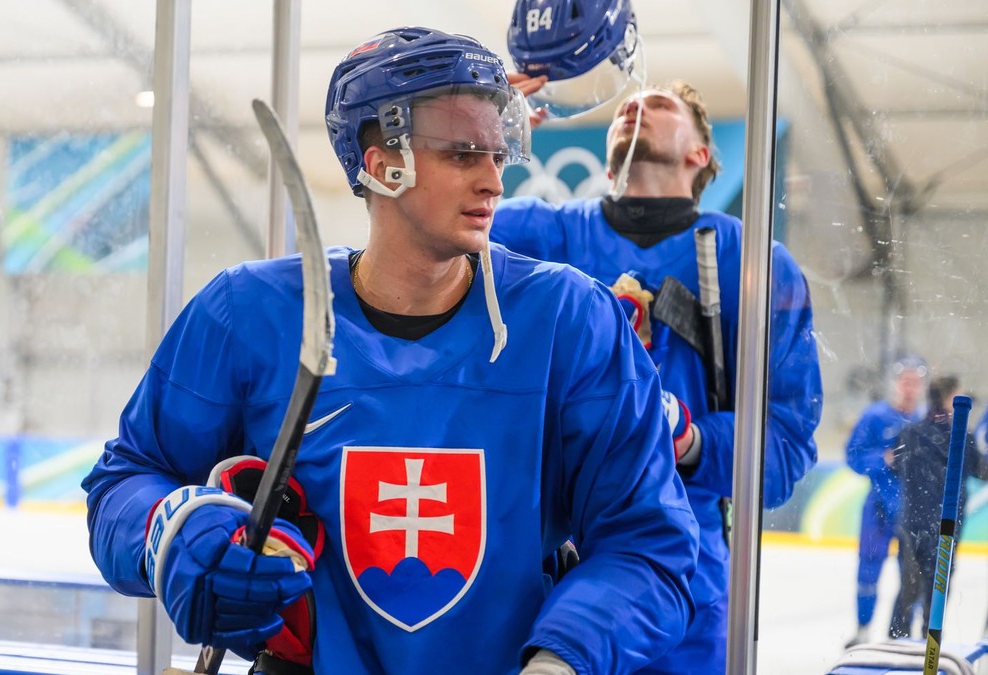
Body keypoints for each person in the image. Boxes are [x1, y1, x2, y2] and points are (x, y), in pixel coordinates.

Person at [83, 26, 699, 675]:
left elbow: (649, 542)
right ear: (382, 164)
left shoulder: (571, 322)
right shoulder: (247, 314)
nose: (494, 180)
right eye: (464, 154)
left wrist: (562, 659)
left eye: (498, 152)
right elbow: (123, 482)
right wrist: (173, 534)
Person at [490, 77, 823, 671]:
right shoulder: (539, 234)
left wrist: (693, 442)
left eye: (660, 105)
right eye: (628, 107)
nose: (636, 106)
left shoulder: (755, 266)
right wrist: (489, 139)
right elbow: (424, 243)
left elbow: (786, 450)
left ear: (701, 153)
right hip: (541, 555)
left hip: (687, 574)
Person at [888, 375, 985, 638]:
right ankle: (930, 640)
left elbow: (894, 466)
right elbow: (983, 470)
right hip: (945, 525)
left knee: (909, 585)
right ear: (949, 400)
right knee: (938, 586)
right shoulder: (961, 438)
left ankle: (897, 638)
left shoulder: (910, 433)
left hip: (913, 522)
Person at [842, 357, 927, 647]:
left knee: (912, 575)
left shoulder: (925, 420)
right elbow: (853, 455)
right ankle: (863, 629)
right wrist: (883, 459)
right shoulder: (875, 416)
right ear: (895, 384)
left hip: (914, 511)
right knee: (868, 569)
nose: (909, 387)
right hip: (878, 508)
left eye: (915, 382)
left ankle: (904, 634)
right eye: (905, 381)